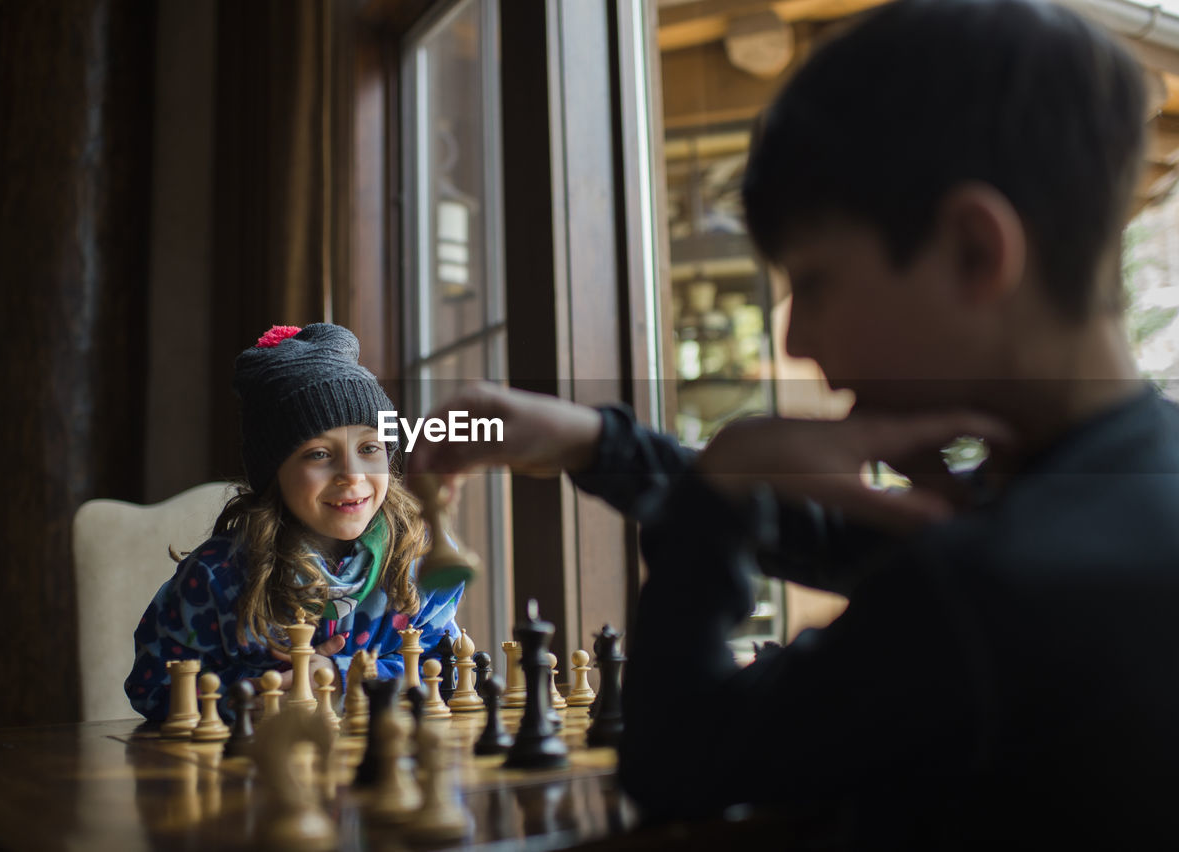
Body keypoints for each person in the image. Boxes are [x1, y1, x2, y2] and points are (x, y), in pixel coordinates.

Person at [408, 0, 1179, 846]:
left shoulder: (991, 589)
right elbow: (875, 548)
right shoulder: (1110, 498)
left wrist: (714, 498)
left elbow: (677, 761)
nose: (796, 339)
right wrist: (597, 442)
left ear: (974, 251)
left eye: (812, 282)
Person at [126, 323, 462, 721]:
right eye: (319, 454)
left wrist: (344, 675)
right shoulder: (216, 577)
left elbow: (447, 667)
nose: (352, 476)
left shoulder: (419, 560)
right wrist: (259, 694)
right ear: (273, 472)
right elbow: (150, 684)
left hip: (381, 769)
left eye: (370, 448)